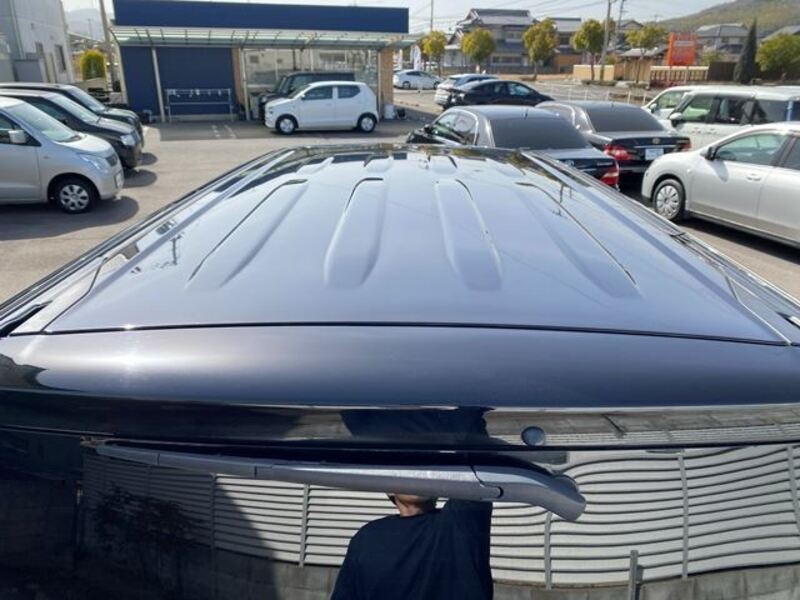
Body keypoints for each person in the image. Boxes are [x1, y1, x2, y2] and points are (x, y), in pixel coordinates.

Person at [330, 493, 493, 600]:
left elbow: (475, 463)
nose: (420, 473)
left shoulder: (460, 520)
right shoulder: (367, 536)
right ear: (389, 489)